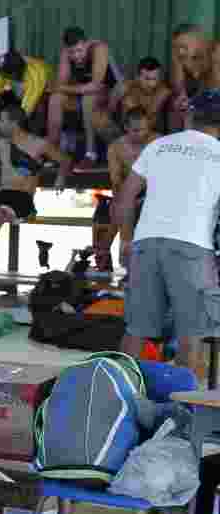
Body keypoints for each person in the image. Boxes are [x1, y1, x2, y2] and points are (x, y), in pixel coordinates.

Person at [117, 91, 220, 382]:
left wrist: (125, 240)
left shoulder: (158, 146)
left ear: (190, 115)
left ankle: (116, 395)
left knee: (136, 330)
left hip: (145, 244)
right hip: (192, 247)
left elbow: (124, 199)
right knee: (193, 334)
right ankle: (183, 413)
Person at [0, 104, 72, 273]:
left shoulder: (38, 144)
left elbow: (65, 160)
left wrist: (60, 178)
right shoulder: (2, 143)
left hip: (22, 197)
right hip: (2, 193)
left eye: (1, 120)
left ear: (13, 123)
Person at [91, 108, 158, 273]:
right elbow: (116, 180)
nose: (141, 134)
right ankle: (123, 255)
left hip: (155, 190)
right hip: (129, 190)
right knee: (120, 210)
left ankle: (107, 250)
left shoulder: (158, 141)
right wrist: (123, 199)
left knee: (122, 212)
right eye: (136, 130)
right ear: (126, 128)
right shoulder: (116, 148)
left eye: (144, 129)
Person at [46, 26, 124, 168]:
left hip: (112, 92)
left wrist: (62, 87)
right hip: (84, 92)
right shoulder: (66, 53)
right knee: (55, 99)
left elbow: (95, 85)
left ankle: (90, 154)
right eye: (72, 52)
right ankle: (52, 151)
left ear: (86, 44)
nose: (76, 56)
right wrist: (62, 88)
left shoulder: (99, 49)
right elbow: (61, 83)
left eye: (79, 50)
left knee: (88, 97)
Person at [0, 49, 54, 118]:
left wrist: (11, 122)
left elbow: (26, 108)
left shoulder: (36, 75)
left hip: (42, 96)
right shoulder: (8, 68)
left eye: (3, 73)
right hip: (23, 96)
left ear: (14, 74)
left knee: (39, 107)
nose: (0, 75)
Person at [169, 24, 218, 131]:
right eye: (178, 47)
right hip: (205, 100)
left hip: (213, 99)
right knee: (178, 109)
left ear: (198, 40)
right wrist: (182, 96)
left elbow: (214, 88)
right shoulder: (183, 57)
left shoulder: (215, 53)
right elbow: (179, 88)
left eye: (184, 46)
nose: (181, 51)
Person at [113, 57, 171, 132]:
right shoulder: (127, 86)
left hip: (152, 136)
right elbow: (110, 111)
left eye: (154, 79)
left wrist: (132, 105)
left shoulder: (163, 91)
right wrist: (116, 96)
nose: (151, 84)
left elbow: (146, 119)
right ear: (138, 77)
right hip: (126, 133)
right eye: (147, 79)